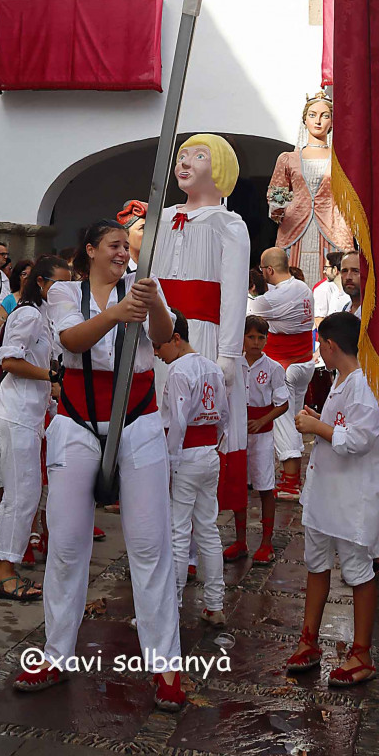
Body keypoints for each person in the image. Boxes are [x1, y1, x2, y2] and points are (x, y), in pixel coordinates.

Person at [14, 219, 184, 712]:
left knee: (150, 545)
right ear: (90, 250)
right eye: (113, 245)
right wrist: (116, 312)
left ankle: (166, 665)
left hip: (138, 420)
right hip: (77, 421)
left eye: (125, 247)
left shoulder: (144, 286)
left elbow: (164, 338)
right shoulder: (65, 291)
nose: (122, 253)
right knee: (67, 545)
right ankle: (55, 654)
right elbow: (72, 339)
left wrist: (152, 304)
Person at [287, 312, 379, 688]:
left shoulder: (365, 385)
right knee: (316, 563)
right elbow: (344, 427)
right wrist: (320, 420)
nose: (320, 351)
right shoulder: (341, 380)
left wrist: (317, 426)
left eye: (321, 345)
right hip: (324, 493)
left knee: (358, 570)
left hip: (350, 498)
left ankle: (362, 653)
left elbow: (359, 439)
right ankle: (309, 639)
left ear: (332, 346)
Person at [153, 135, 250, 519]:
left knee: (194, 421)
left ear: (221, 167)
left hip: (203, 336)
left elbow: (234, 295)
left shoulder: (229, 224)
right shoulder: (160, 218)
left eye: (198, 156)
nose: (185, 162)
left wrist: (228, 354)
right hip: (159, 335)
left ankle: (190, 527)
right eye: (182, 156)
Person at [0, 255, 71, 601]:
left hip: (28, 413)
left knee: (26, 493)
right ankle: (3, 573)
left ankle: (6, 567)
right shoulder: (29, 314)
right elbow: (9, 360)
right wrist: (50, 376)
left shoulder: (46, 316)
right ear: (41, 282)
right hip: (15, 414)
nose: (66, 289)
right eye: (59, 283)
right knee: (21, 494)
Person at [155, 310, 229, 625]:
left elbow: (179, 421)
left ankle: (170, 606)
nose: (156, 353)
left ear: (176, 338)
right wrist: (216, 445)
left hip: (185, 455)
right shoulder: (212, 368)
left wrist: (170, 462)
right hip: (209, 453)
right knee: (208, 529)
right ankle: (215, 604)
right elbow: (224, 415)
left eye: (159, 345)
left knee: (178, 531)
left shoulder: (179, 371)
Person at [248, 246, 315, 498]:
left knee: (282, 421)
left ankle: (290, 481)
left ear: (268, 270)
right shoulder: (303, 288)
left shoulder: (272, 299)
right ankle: (292, 477)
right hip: (304, 363)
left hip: (286, 367)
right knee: (294, 417)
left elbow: (246, 313)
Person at [222, 317, 288, 564]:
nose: (256, 342)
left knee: (265, 486)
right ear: (242, 338)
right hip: (238, 434)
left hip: (262, 435)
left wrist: (262, 421)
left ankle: (266, 542)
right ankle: (240, 541)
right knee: (239, 484)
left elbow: (282, 403)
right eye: (251, 337)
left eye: (261, 337)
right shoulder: (233, 365)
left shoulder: (273, 368)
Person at [268, 92, 353, 277]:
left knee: (332, 281)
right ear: (304, 119)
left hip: (332, 226)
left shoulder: (342, 160)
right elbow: (276, 192)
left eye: (325, 116)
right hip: (294, 226)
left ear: (332, 122)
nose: (318, 121)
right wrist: (278, 206)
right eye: (312, 115)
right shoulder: (288, 159)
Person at [0, 258, 34, 326]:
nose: (27, 277)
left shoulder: (39, 300)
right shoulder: (9, 300)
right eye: (24, 274)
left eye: (31, 275)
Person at [313, 252, 350, 320]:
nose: (324, 272)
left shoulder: (349, 295)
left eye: (326, 268)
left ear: (335, 270)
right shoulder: (335, 293)